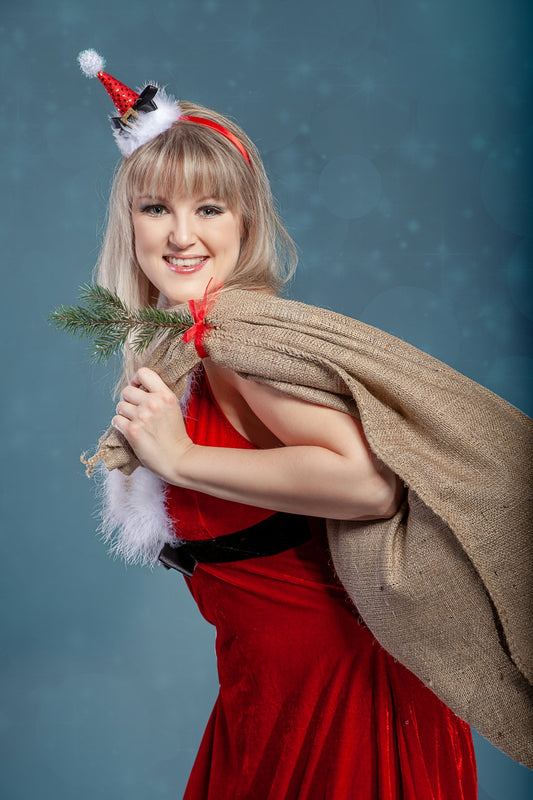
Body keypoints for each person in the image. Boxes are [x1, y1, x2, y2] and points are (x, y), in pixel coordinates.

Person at [79, 51, 478, 798]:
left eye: (209, 209)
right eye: (156, 208)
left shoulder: (239, 335)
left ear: (246, 220)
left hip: (340, 691)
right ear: (128, 219)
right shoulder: (188, 335)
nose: (180, 235)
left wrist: (184, 458)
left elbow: (368, 485)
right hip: (269, 687)